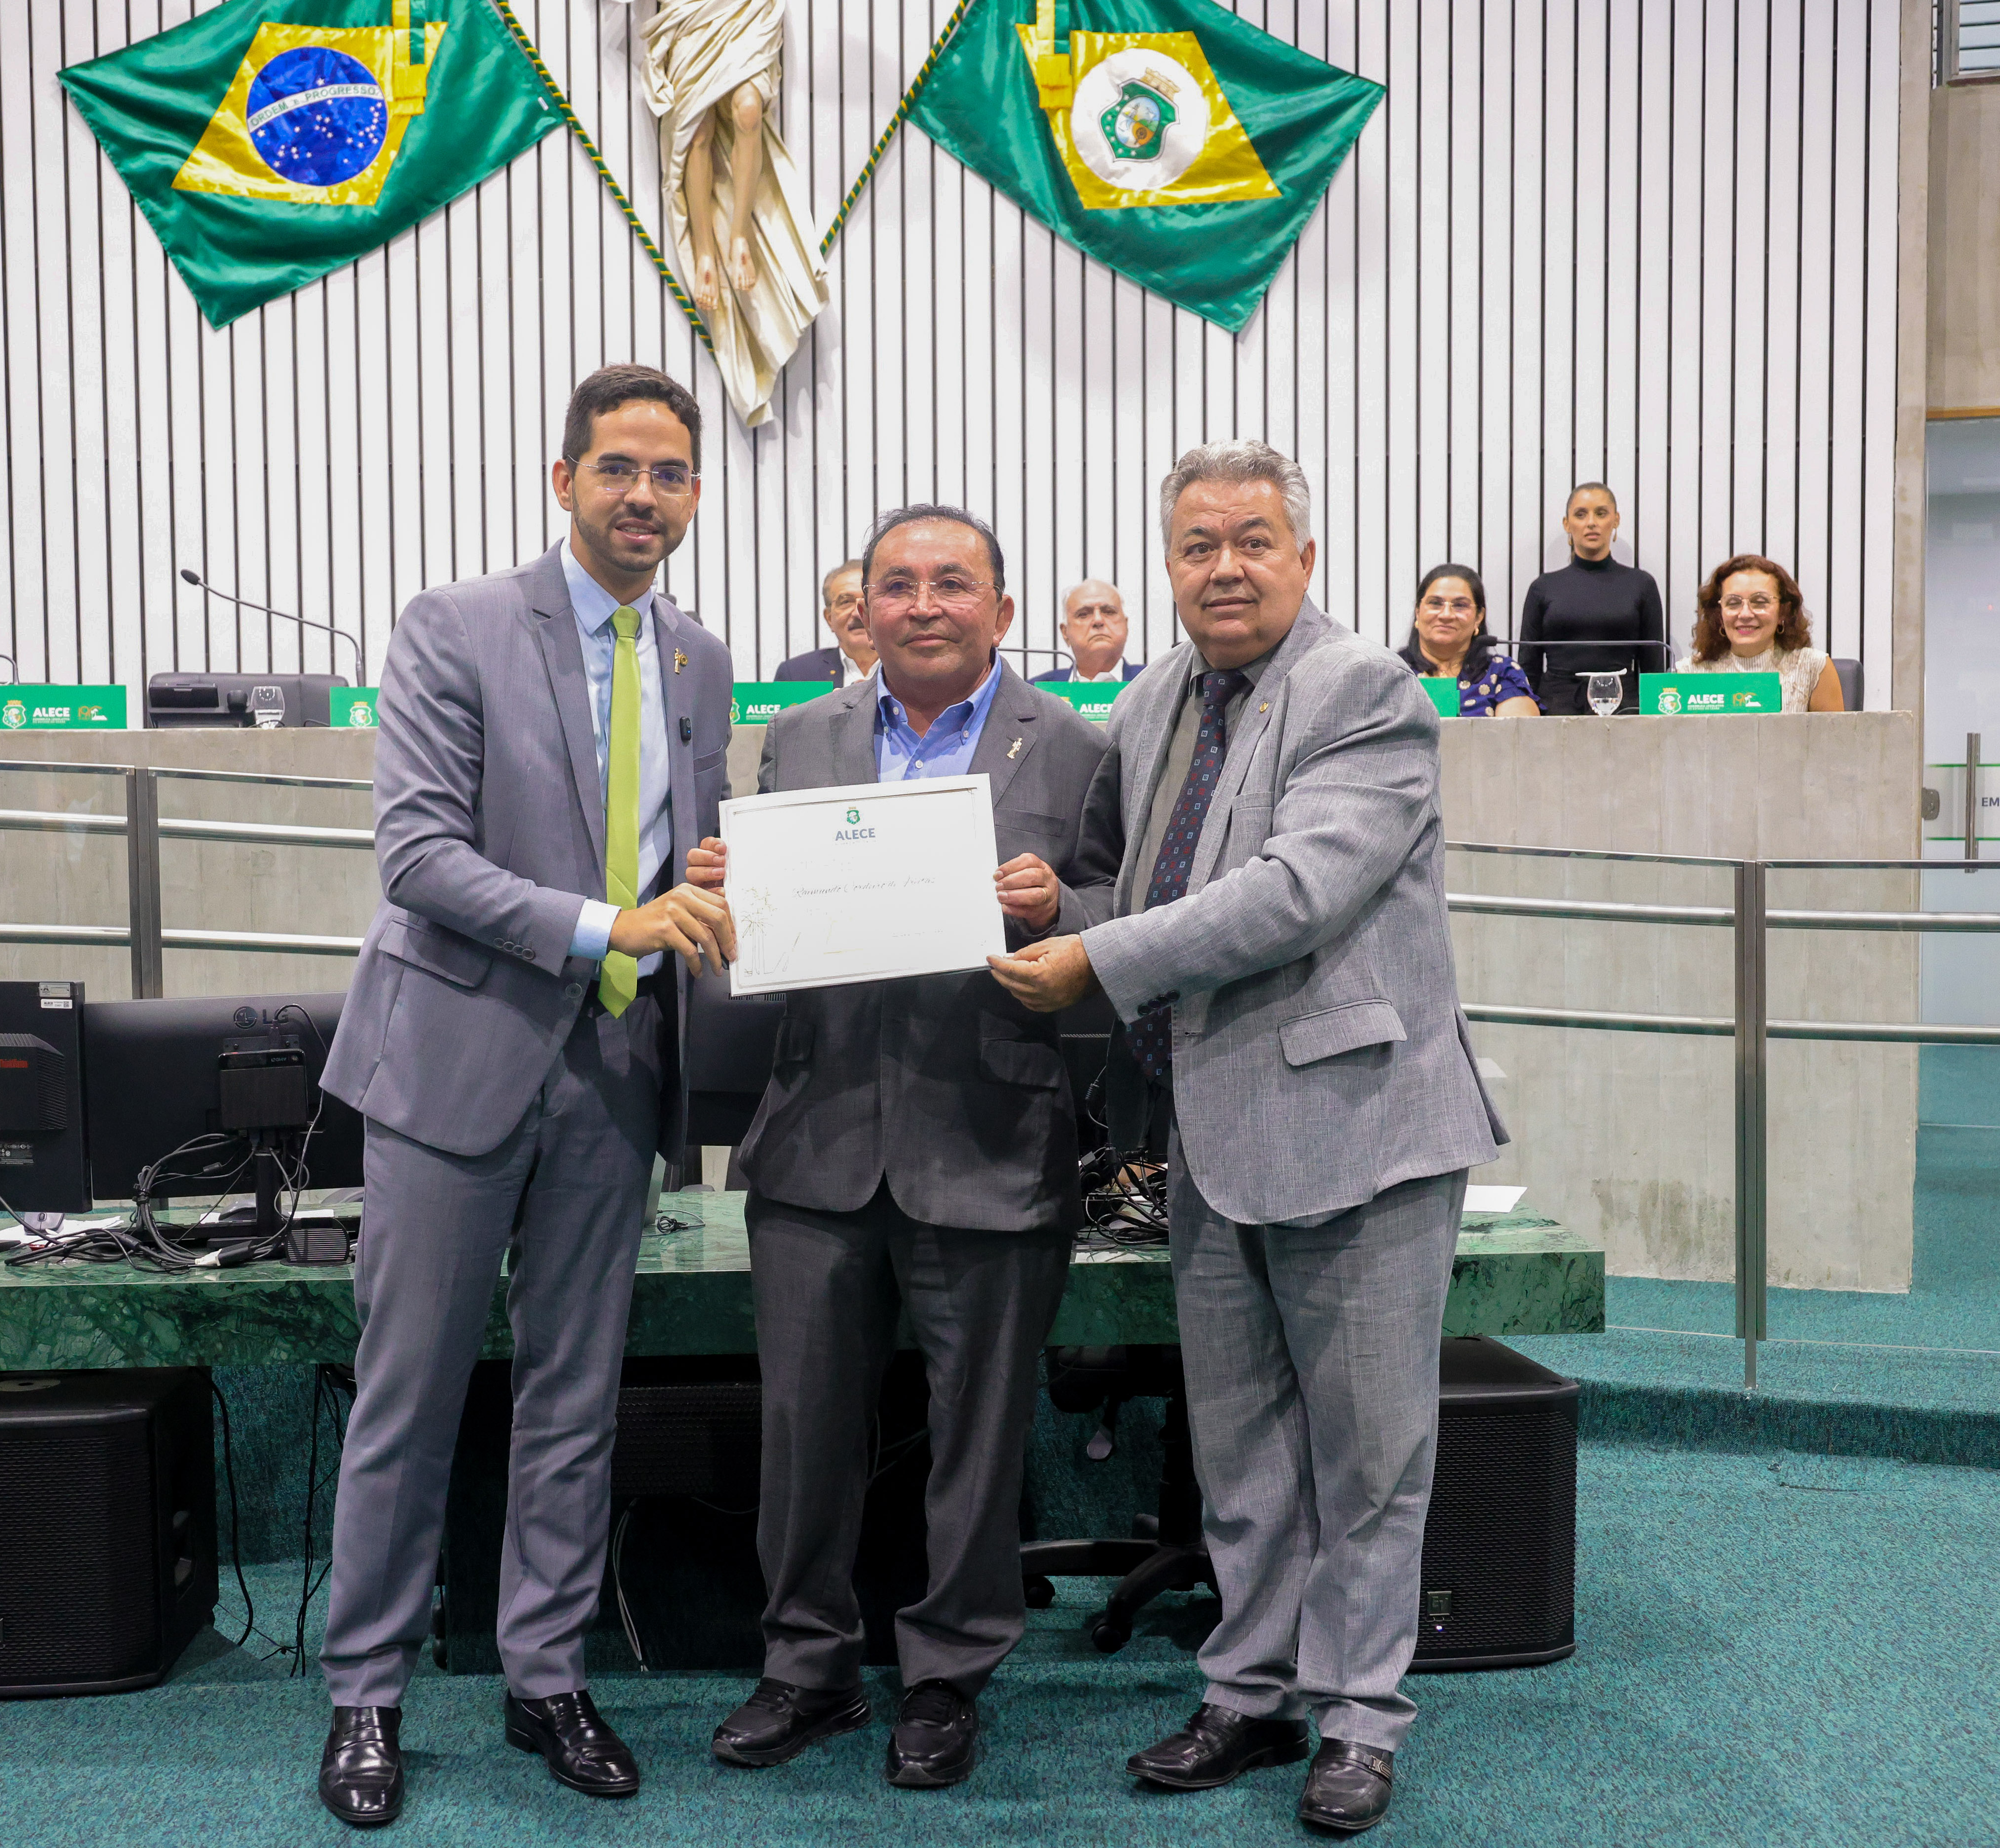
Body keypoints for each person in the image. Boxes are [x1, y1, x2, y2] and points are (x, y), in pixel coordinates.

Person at [988, 441, 1505, 1837]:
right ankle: (1249, 1689)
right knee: (1241, 1446)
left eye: (1252, 540)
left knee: (1368, 1454)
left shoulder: (1364, 689)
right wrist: (1054, 904)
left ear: (1305, 557)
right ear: (1167, 565)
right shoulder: (1155, 695)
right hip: (1211, 1134)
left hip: (1359, 1129)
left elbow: (1293, 892)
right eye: (1197, 544)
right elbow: (1140, 883)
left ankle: (1360, 1716)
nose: (1224, 567)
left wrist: (1096, 957)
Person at [310, 365, 738, 1824]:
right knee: (409, 1392)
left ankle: (544, 1673)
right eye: (616, 467)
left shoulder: (700, 659)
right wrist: (609, 921)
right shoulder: (455, 625)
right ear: (564, 480)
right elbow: (419, 856)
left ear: (694, 494)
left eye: (668, 473)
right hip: (454, 1061)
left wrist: (715, 879)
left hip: (615, 1070)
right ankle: (365, 1692)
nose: (642, 495)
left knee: (574, 1398)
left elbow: (680, 856)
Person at [683, 506, 1111, 1791]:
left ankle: (946, 1676)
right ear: (861, 608)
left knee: (976, 1441)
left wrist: (1063, 905)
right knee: (802, 1430)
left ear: (1002, 609)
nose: (924, 603)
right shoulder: (799, 736)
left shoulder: (1075, 744)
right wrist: (729, 887)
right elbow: (763, 927)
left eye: (952, 583)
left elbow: (1124, 914)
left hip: (992, 1137)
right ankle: (805, 1665)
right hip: (816, 1140)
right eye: (897, 584)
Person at [1515, 483, 1666, 716]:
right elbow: (1528, 669)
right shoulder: (1542, 588)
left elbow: (1653, 668)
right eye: (1581, 514)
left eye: (1601, 513)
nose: (1591, 522)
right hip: (1555, 710)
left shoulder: (1642, 585)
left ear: (1616, 520)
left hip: (1625, 710)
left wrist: (1653, 718)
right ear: (1567, 524)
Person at [1675, 554, 1845, 711]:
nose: (1745, 614)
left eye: (1760, 602)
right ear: (1719, 615)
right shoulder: (1689, 673)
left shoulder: (1813, 668)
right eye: (1733, 603)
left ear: (1783, 612)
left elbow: (1834, 735)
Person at [1396, 563, 1540, 715]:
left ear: (1479, 617)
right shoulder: (1392, 671)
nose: (1446, 615)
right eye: (1436, 603)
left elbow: (1518, 729)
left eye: (1460, 605)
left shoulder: (1502, 673)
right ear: (1418, 611)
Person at [771, 560, 875, 686]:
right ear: (829, 619)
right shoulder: (796, 675)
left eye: (867, 600)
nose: (858, 613)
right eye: (846, 602)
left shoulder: (899, 667)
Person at [1032, 579, 1140, 683]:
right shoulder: (1035, 690)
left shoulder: (1151, 684)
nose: (1098, 620)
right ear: (1065, 633)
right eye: (1083, 614)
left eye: (1109, 612)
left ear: (1126, 625)